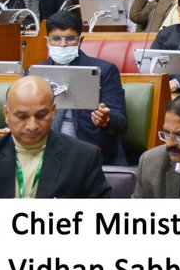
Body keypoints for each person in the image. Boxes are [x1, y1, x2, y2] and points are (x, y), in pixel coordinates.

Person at [0, 76, 110, 198]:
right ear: (7, 114)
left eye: (41, 115)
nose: (32, 126)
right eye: (22, 117)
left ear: (53, 111)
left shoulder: (83, 157)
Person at [37, 11, 127, 164]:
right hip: (43, 154)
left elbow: (121, 123)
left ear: (81, 40)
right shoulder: (35, 73)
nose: (63, 44)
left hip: (89, 156)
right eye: (56, 39)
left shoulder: (104, 70)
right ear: (47, 41)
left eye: (70, 39)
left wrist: (106, 119)